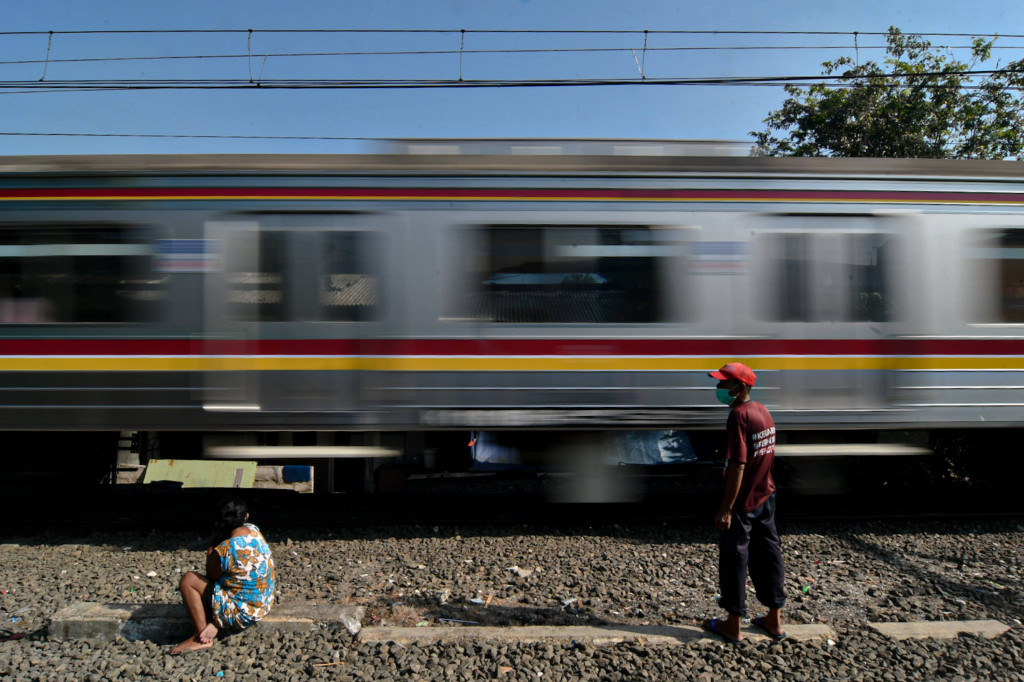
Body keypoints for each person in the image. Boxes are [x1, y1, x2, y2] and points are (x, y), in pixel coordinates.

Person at [702, 362, 787, 643]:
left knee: (735, 559)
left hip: (743, 503)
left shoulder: (738, 416)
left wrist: (726, 508)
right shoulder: (763, 411)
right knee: (769, 554)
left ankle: (733, 623)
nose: (718, 389)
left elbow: (738, 465)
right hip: (766, 495)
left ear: (740, 388)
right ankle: (774, 620)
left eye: (724, 384)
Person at [171, 496, 277, 654]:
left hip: (243, 613)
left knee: (189, 580)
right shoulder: (254, 530)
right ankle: (216, 622)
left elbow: (211, 576)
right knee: (232, 578)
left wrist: (212, 547)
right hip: (263, 602)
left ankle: (201, 638)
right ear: (246, 516)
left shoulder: (226, 548)